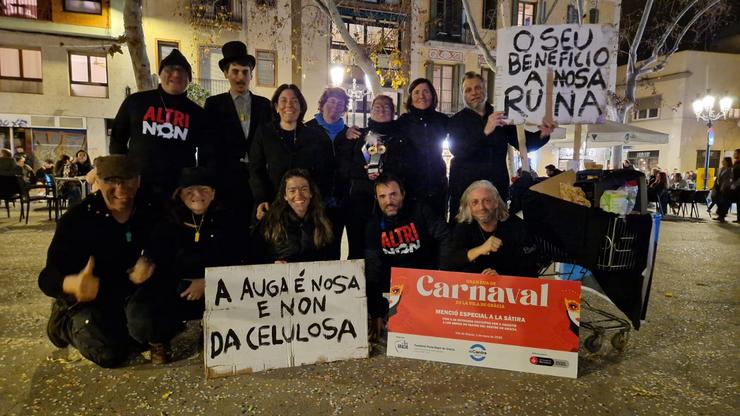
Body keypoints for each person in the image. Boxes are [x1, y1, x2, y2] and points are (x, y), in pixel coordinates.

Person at [38, 155, 177, 367]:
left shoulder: (151, 207)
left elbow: (168, 241)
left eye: (128, 180)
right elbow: (48, 277)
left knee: (145, 331)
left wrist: (149, 259)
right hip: (91, 295)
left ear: (138, 180)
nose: (121, 190)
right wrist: (72, 284)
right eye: (111, 181)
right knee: (109, 354)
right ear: (98, 182)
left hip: (129, 291)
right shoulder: (77, 219)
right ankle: (62, 323)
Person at [448, 72, 555, 220]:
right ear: (462, 94)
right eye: (468, 90)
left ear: (485, 89)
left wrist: (543, 133)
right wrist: (486, 130)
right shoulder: (456, 121)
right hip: (466, 192)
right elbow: (458, 150)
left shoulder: (501, 116)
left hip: (496, 190)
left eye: (478, 87)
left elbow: (524, 143)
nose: (474, 93)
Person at [148, 167, 248, 322]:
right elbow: (160, 263)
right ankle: (160, 337)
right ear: (180, 194)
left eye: (204, 189)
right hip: (179, 288)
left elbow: (236, 259)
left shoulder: (228, 221)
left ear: (213, 193)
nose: (198, 195)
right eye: (190, 190)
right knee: (145, 310)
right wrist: (184, 284)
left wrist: (207, 283)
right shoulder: (167, 223)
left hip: (219, 288)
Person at [110, 49, 203, 201]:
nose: (176, 74)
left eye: (181, 71)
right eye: (169, 69)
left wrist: (196, 182)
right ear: (160, 74)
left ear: (189, 78)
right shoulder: (136, 102)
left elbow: (207, 151)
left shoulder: (197, 113)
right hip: (137, 188)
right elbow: (117, 139)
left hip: (178, 193)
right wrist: (123, 173)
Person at [364, 173, 450, 338]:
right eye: (382, 196)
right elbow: (372, 269)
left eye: (393, 194)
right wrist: (376, 313)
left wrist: (443, 275)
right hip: (394, 290)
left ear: (403, 194)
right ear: (376, 199)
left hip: (426, 283)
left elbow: (445, 236)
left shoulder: (421, 210)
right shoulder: (373, 226)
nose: (388, 201)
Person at [202, 41, 273, 217]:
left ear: (251, 75)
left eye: (245, 72)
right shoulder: (214, 105)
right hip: (226, 182)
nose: (240, 77)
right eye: (235, 71)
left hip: (258, 184)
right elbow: (207, 146)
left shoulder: (264, 105)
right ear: (226, 73)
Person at [249, 84, 334, 224]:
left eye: (295, 101)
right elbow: (256, 169)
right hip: (273, 203)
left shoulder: (314, 135)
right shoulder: (264, 133)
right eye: (283, 100)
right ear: (276, 106)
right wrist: (261, 198)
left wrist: (315, 199)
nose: (289, 105)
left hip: (305, 206)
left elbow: (324, 171)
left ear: (301, 107)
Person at [347, 95, 416, 259]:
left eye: (386, 106)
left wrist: (385, 171)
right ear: (370, 111)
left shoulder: (402, 139)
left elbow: (409, 168)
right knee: (358, 249)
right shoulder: (358, 135)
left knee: (388, 249)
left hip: (390, 204)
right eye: (377, 106)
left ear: (393, 112)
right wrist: (364, 171)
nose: (381, 109)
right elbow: (346, 166)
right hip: (361, 202)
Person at [441, 180, 540, 277]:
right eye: (475, 202)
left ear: (496, 203)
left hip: (510, 288)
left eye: (487, 201)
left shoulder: (516, 226)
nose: (481, 207)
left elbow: (530, 269)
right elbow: (446, 263)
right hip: (475, 287)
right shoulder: (463, 227)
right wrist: (479, 250)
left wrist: (502, 278)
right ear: (469, 207)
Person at [305, 87, 360, 259]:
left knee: (334, 250)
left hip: (341, 202)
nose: (335, 106)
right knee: (314, 249)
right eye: (331, 101)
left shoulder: (349, 133)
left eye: (340, 103)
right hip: (315, 203)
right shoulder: (307, 129)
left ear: (345, 108)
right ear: (322, 104)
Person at [396, 78, 449, 218]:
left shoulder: (442, 120)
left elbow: (463, 135)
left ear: (432, 95)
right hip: (411, 189)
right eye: (417, 92)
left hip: (437, 187)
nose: (422, 96)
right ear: (411, 98)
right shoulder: (403, 122)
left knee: (438, 231)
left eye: (426, 91)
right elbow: (381, 132)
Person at [257, 169, 334, 263]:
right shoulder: (269, 222)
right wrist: (271, 265)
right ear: (285, 196)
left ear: (311, 193)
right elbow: (254, 256)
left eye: (304, 189)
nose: (299, 195)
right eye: (292, 191)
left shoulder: (325, 221)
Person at [714, 156, 735, 223]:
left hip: (726, 188)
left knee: (724, 202)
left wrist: (727, 185)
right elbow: (718, 178)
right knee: (718, 201)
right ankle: (719, 215)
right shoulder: (721, 169)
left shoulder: (730, 169)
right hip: (719, 187)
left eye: (724, 160)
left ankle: (722, 217)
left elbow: (731, 178)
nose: (722, 161)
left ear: (727, 161)